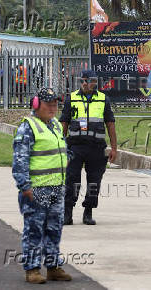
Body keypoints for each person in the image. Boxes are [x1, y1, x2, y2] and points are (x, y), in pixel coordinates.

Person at [12, 87, 72, 284]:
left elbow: (59, 150)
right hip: (36, 190)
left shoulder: (54, 124)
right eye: (49, 103)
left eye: (55, 103)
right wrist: (24, 186)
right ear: (36, 105)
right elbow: (20, 160)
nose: (53, 107)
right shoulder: (28, 127)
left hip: (56, 187)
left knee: (54, 229)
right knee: (34, 230)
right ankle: (32, 270)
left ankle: (53, 267)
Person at [59, 70, 117, 226]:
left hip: (96, 148)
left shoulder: (103, 99)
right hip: (75, 147)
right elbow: (64, 122)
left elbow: (110, 123)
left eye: (88, 80)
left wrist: (114, 148)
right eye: (82, 80)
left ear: (95, 82)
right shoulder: (71, 98)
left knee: (94, 182)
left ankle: (88, 212)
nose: (84, 83)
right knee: (71, 180)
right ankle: (67, 213)